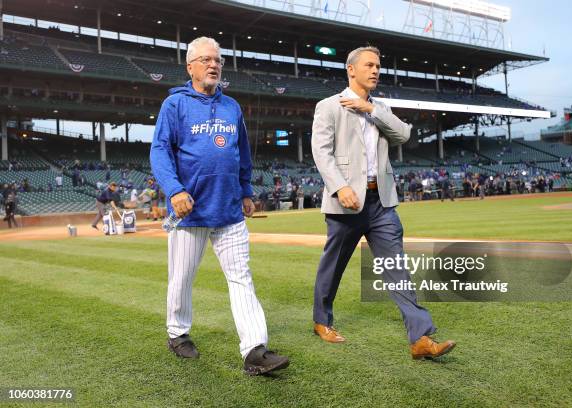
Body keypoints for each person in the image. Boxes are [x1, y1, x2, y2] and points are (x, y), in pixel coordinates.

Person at [149, 36, 288, 375]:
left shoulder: (231, 107)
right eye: (206, 60)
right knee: (181, 278)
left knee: (242, 278)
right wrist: (174, 190)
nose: (214, 65)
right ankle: (177, 333)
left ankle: (255, 350)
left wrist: (245, 190)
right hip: (190, 211)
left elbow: (242, 153)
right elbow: (160, 151)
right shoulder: (175, 105)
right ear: (190, 66)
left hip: (228, 209)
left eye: (218, 60)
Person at [310, 46, 456, 360]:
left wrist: (369, 109)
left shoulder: (380, 107)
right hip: (346, 204)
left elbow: (404, 135)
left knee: (396, 268)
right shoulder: (328, 107)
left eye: (378, 66)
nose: (376, 70)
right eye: (369, 65)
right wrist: (339, 188)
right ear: (351, 70)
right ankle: (321, 320)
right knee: (333, 266)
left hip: (382, 203)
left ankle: (421, 338)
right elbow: (321, 153)